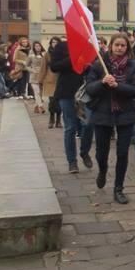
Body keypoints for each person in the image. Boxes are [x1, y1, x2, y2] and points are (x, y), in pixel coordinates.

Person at [84, 33, 135, 204]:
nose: (120, 48)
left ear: (127, 48)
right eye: (117, 45)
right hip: (103, 113)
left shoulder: (133, 65)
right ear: (111, 46)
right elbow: (90, 89)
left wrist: (118, 86)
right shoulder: (99, 65)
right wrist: (103, 82)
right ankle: (102, 170)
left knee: (123, 153)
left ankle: (119, 188)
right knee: (102, 152)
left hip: (125, 114)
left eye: (123, 45)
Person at [50, 40, 94, 172]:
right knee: (70, 127)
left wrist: (89, 66)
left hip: (85, 92)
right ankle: (72, 161)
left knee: (88, 124)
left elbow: (96, 66)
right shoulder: (62, 46)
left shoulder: (88, 46)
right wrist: (73, 59)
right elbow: (54, 66)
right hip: (66, 91)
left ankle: (84, 151)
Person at [40, 38, 61, 128]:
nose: (54, 44)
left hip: (60, 80)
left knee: (60, 102)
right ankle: (51, 118)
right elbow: (43, 67)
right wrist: (40, 80)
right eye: (53, 42)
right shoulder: (47, 54)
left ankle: (59, 120)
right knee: (52, 101)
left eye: (56, 42)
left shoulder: (62, 53)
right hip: (50, 80)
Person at [26, 41, 46, 113]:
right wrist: (32, 70)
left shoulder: (44, 55)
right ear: (34, 47)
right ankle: (41, 106)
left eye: (39, 46)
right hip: (33, 76)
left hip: (42, 76)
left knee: (40, 93)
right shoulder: (31, 56)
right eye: (36, 46)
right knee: (36, 92)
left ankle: (36, 107)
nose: (38, 47)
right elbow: (27, 65)